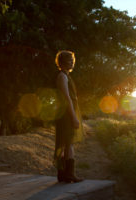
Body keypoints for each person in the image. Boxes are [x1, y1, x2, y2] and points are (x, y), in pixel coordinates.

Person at [54, 50, 84, 183]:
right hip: (66, 115)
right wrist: (74, 117)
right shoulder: (63, 77)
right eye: (69, 60)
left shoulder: (65, 76)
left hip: (65, 114)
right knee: (68, 143)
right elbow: (67, 99)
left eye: (72, 59)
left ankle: (63, 174)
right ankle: (69, 174)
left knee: (65, 143)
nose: (72, 62)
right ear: (61, 62)